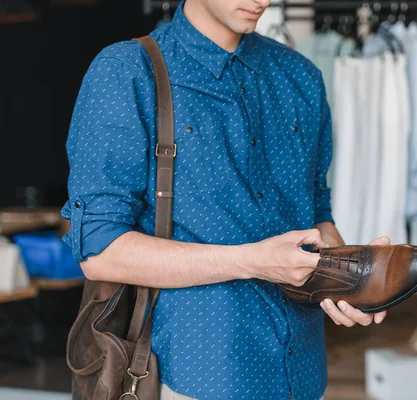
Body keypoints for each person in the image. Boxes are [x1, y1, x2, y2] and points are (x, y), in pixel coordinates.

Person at [60, 0, 388, 399]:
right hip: (194, 372)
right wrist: (250, 261)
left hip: (302, 372)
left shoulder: (301, 76)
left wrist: (343, 276)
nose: (262, 1)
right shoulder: (128, 71)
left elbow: (317, 212)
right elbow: (100, 251)